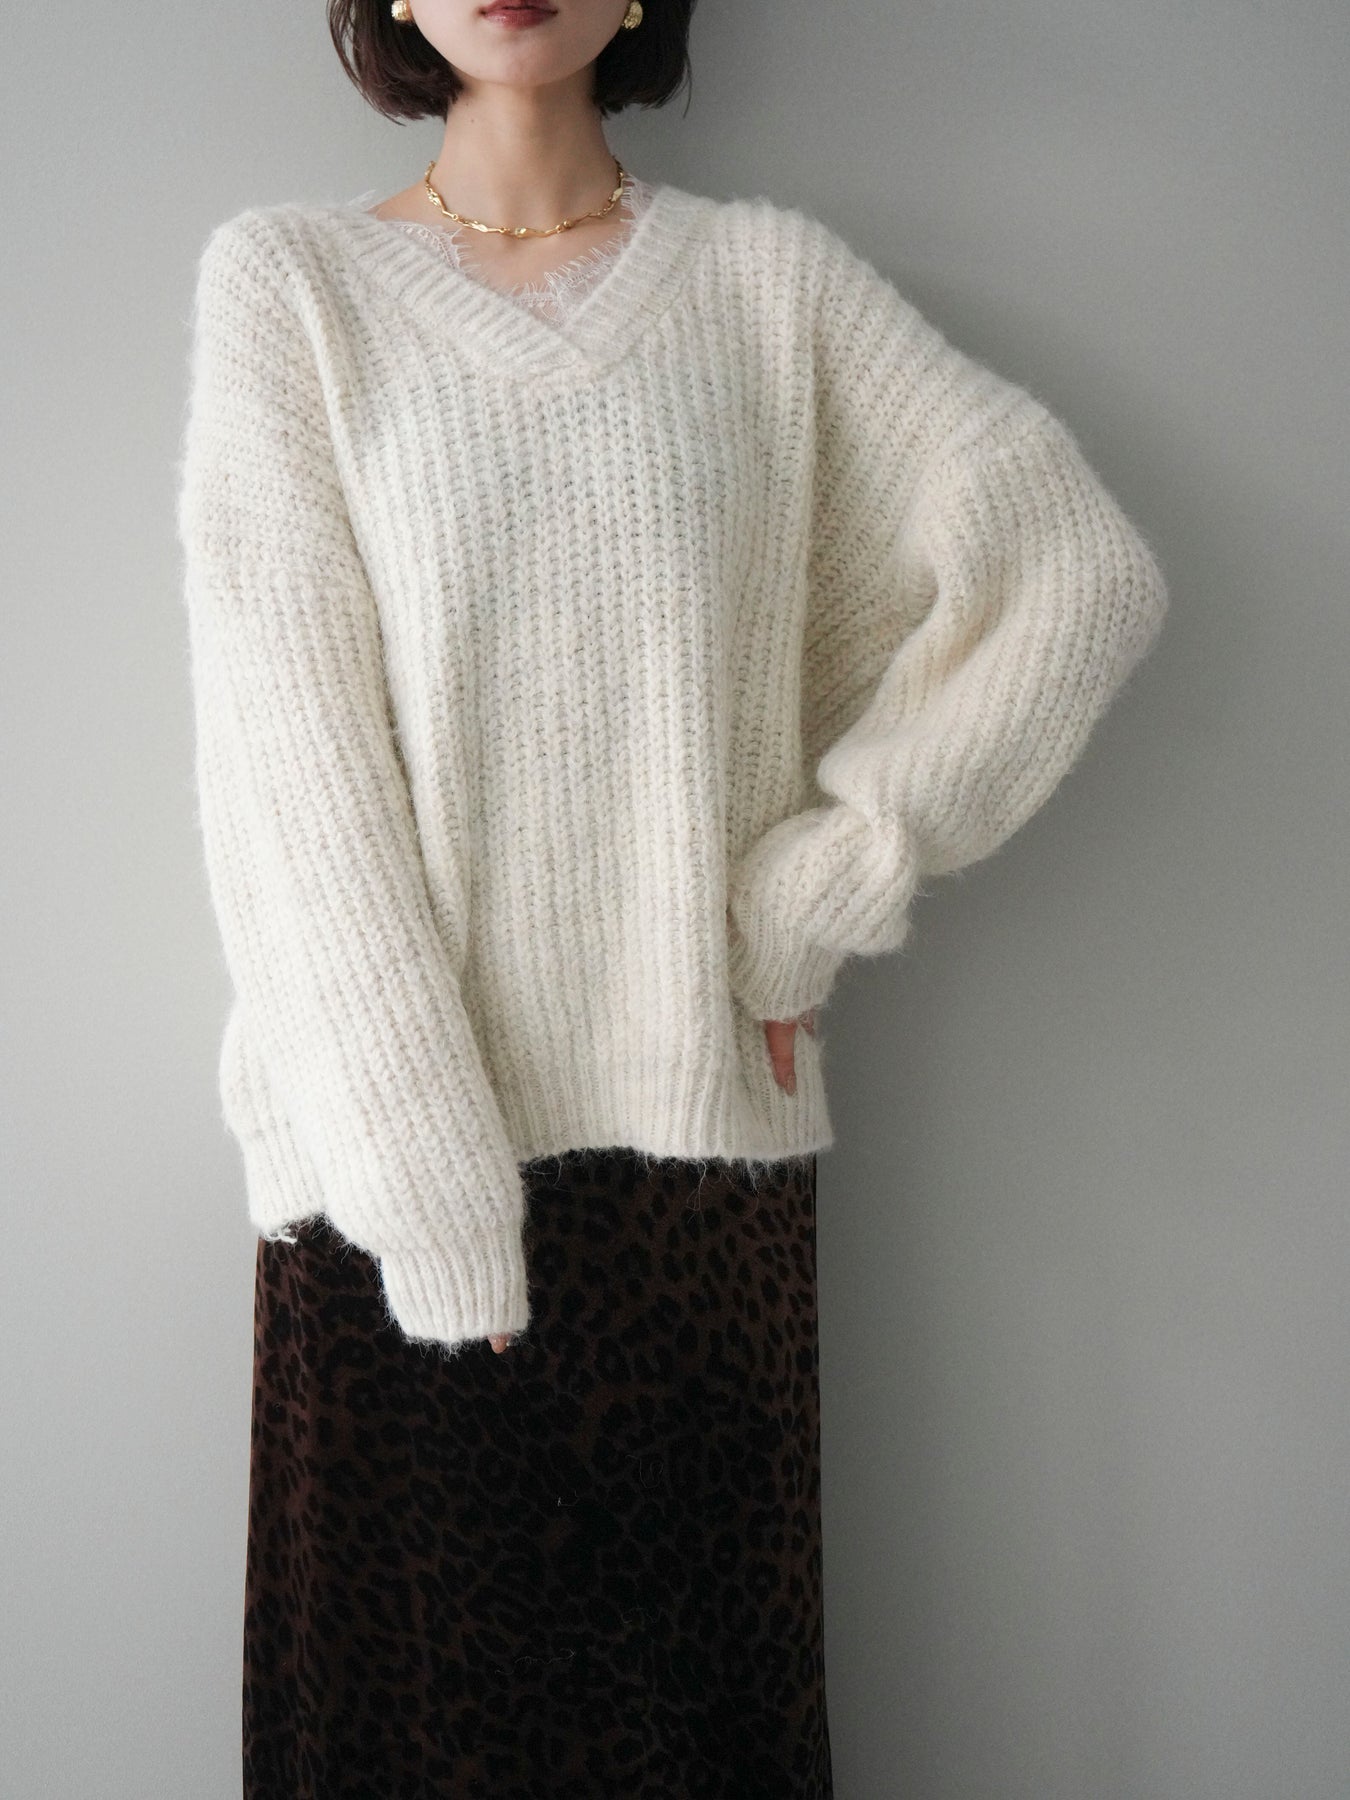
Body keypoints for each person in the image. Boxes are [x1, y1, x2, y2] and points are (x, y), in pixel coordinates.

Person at [174, 1, 1170, 1793]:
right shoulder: (292, 289)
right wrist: (431, 1197)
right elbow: (287, 778)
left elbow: (1072, 573)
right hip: (385, 1191)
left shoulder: (769, 289)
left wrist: (821, 887)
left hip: (696, 1161)